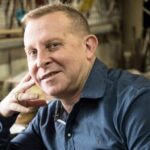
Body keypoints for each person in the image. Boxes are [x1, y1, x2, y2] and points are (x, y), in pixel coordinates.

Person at [0, 3, 150, 150]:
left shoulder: (136, 102)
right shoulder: (47, 116)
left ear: (88, 47)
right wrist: (1, 115)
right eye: (33, 52)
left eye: (53, 45)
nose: (40, 61)